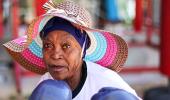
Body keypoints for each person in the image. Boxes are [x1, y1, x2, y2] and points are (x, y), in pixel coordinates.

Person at [3, 0, 141, 100]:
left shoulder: (105, 81)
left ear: (83, 49)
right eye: (48, 46)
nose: (55, 55)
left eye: (66, 46)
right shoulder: (47, 82)